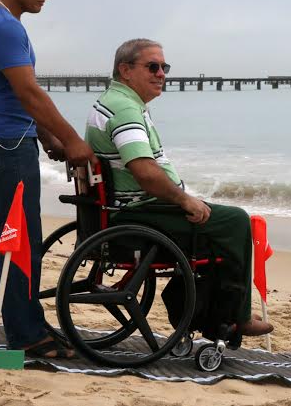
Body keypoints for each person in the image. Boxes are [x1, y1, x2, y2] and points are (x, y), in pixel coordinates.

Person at [84, 38, 273, 338]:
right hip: (137, 213)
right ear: (125, 70)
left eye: (164, 67)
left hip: (132, 208)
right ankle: (236, 317)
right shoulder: (124, 109)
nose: (162, 73)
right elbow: (145, 172)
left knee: (216, 220)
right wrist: (184, 200)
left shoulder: (119, 102)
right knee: (235, 221)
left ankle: (205, 315)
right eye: (153, 66)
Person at [0, 0, 96, 358]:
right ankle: (25, 335)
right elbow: (28, 91)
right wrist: (72, 139)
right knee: (19, 239)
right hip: (3, 144)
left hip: (6, 138)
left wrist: (44, 135)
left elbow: (11, 95)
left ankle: (29, 324)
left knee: (23, 237)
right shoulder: (4, 27)